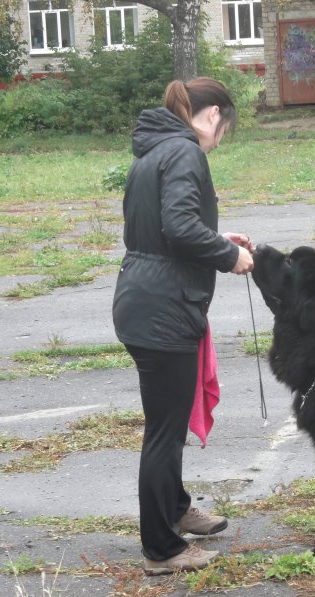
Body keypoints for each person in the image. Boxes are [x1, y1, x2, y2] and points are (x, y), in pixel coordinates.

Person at [112, 77, 254, 575]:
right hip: (162, 308)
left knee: (166, 424)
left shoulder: (153, 150)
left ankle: (176, 510)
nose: (220, 140)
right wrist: (228, 254)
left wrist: (216, 236)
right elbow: (177, 227)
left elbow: (162, 228)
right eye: (224, 129)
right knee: (165, 432)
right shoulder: (186, 151)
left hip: (144, 296)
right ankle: (162, 550)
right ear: (213, 114)